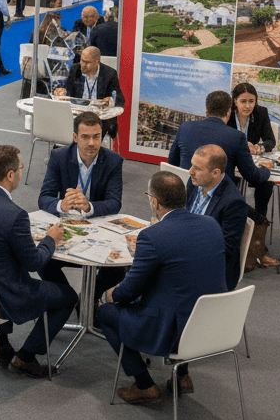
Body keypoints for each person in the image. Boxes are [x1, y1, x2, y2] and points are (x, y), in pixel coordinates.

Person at [96, 171, 226, 403]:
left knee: (106, 312)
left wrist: (107, 295)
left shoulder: (152, 237)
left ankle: (144, 384)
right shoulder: (212, 225)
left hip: (172, 330)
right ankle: (182, 375)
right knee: (183, 290)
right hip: (211, 324)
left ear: (154, 201)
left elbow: (129, 291)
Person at [0, 145, 77, 377]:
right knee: (69, 297)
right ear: (11, 175)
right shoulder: (14, 214)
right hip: (3, 295)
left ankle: (2, 343)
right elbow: (34, 263)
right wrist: (51, 239)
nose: (21, 172)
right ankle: (26, 357)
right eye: (20, 168)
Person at [168, 90, 273, 188]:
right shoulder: (237, 137)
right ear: (228, 112)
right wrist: (265, 170)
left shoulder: (184, 127)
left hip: (186, 195)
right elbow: (252, 176)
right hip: (217, 202)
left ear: (206, 111)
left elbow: (172, 162)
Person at [38, 110, 123, 218]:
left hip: (96, 219)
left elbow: (115, 203)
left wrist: (89, 207)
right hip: (67, 218)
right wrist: (61, 205)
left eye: (96, 136)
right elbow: (44, 198)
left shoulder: (113, 161)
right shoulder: (59, 157)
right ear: (75, 137)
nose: (92, 143)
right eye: (85, 137)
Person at [186, 145, 249, 290]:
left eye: (197, 168)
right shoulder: (195, 182)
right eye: (192, 165)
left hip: (211, 269)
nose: (190, 172)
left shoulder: (233, 203)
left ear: (215, 173)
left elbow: (225, 251)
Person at [53, 46, 126, 139]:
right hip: (77, 116)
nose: (82, 65)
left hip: (99, 119)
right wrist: (61, 91)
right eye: (81, 60)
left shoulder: (110, 74)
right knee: (62, 136)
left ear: (97, 62)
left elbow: (120, 99)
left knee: (86, 139)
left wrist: (110, 100)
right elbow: (67, 90)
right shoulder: (75, 70)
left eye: (87, 62)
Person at [228, 82, 275, 218]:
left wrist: (258, 147)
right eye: (243, 101)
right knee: (228, 181)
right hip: (231, 159)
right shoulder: (228, 113)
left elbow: (270, 140)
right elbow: (220, 135)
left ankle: (260, 221)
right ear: (235, 101)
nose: (247, 106)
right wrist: (239, 146)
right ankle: (232, 217)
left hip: (250, 161)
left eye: (251, 101)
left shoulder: (261, 112)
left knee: (266, 182)